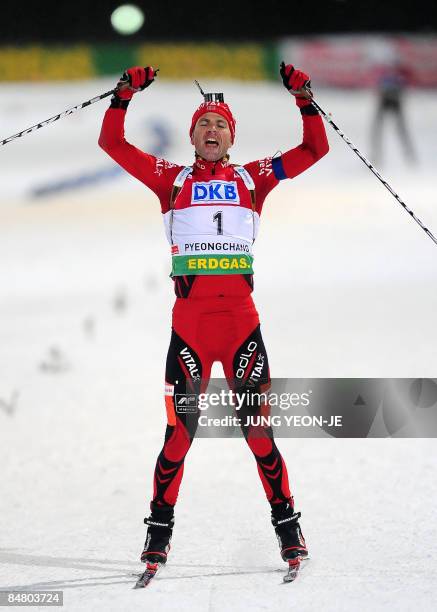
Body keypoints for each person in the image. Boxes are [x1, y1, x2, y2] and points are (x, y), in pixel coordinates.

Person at [98, 63, 329, 574]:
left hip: (242, 327)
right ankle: (158, 533)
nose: (211, 130)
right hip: (191, 332)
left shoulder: (253, 178)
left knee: (259, 434)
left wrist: (304, 100)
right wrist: (122, 97)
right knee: (179, 434)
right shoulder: (171, 179)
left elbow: (316, 150)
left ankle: (288, 528)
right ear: (192, 135)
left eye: (220, 124)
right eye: (204, 122)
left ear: (231, 136)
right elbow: (113, 145)